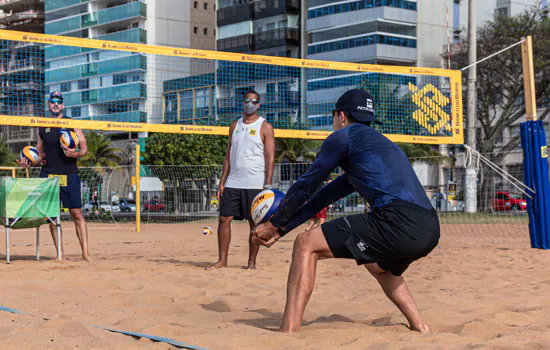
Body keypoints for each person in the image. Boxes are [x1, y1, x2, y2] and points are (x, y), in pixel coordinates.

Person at [252, 89, 440, 333]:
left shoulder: (342, 138)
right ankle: (420, 327)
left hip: (399, 222)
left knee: (306, 244)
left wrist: (272, 224)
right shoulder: (377, 147)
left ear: (341, 116)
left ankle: (288, 332)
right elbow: (323, 197)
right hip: (430, 228)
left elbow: (305, 186)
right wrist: (281, 229)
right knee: (378, 267)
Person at [17, 91, 92, 262]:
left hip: (69, 173)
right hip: (49, 175)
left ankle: (85, 253)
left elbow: (85, 149)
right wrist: (28, 164)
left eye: (58, 102)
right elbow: (40, 156)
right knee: (52, 216)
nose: (55, 104)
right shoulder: (42, 125)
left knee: (77, 214)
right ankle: (61, 254)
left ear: (63, 105)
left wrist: (75, 154)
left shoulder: (72, 123)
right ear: (49, 105)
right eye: (52, 102)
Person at [206, 90, 275, 270]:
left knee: (254, 224)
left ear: (259, 105)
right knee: (224, 219)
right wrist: (222, 181)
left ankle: (251, 263)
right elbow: (228, 155)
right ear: (242, 102)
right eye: (247, 100)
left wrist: (267, 184)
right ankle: (222, 260)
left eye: (253, 101)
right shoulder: (234, 125)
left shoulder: (265, 126)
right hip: (233, 181)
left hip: (255, 182)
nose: (249, 103)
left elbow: (270, 157)